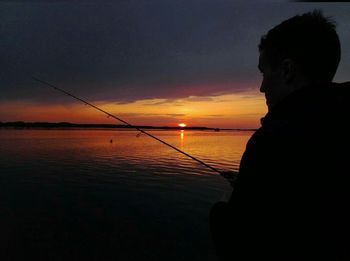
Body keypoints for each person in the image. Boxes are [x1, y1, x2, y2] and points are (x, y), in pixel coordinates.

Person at [210, 10, 350, 261]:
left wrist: (228, 200)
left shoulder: (272, 144)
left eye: (264, 72)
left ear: (287, 70)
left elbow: (234, 243)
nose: (262, 86)